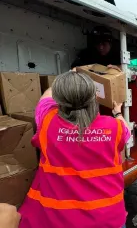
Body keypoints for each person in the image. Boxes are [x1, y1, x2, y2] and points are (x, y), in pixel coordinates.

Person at [18, 71, 129, 228]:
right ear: (95, 98)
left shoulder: (48, 121)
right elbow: (125, 128)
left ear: (59, 100)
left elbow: (46, 96)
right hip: (108, 219)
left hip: (59, 221)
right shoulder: (115, 127)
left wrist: (68, 76)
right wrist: (117, 112)